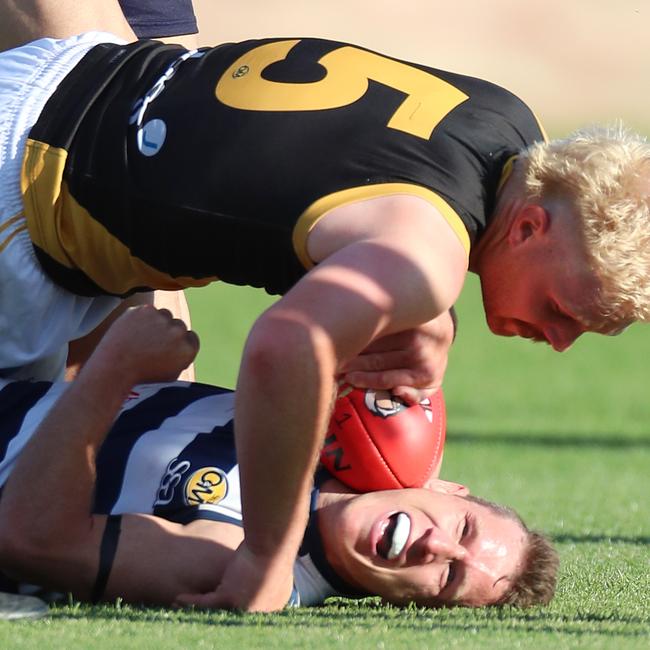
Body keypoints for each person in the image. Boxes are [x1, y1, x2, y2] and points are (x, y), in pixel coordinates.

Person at [0, 2, 648, 611]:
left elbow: (327, 175)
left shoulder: (505, 124)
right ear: (529, 227)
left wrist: (428, 316)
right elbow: (289, 344)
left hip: (82, 69)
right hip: (30, 190)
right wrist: (264, 555)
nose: (562, 341)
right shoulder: (424, 260)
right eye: (566, 311)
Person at [0, 306, 558, 609]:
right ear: (446, 487)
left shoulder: (248, 565)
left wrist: (115, 369)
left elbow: (31, 538)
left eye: (448, 578)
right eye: (462, 530)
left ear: (413, 607)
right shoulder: (330, 431)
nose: (434, 547)